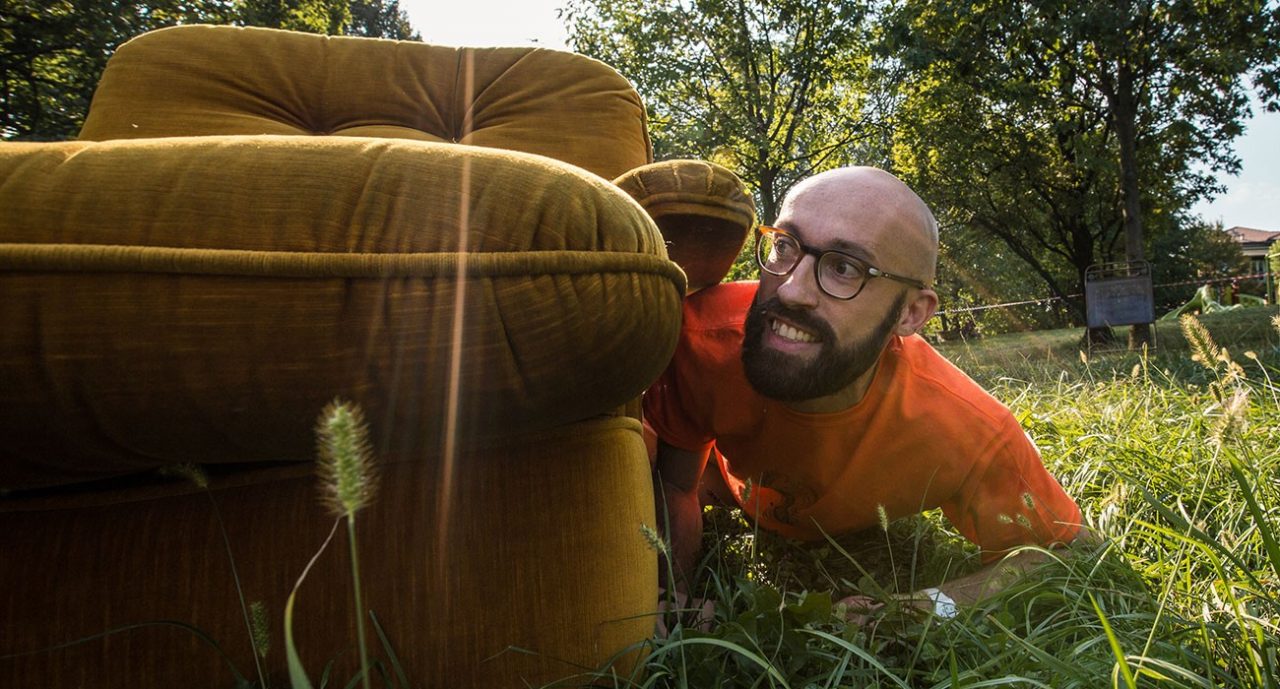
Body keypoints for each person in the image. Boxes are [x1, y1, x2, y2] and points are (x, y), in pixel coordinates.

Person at [643, 166, 1083, 617]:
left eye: (843, 268)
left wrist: (916, 609)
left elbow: (1058, 553)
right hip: (718, 489)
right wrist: (672, 595)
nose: (791, 290)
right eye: (785, 246)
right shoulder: (698, 340)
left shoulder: (965, 429)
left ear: (911, 313)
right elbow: (676, 482)